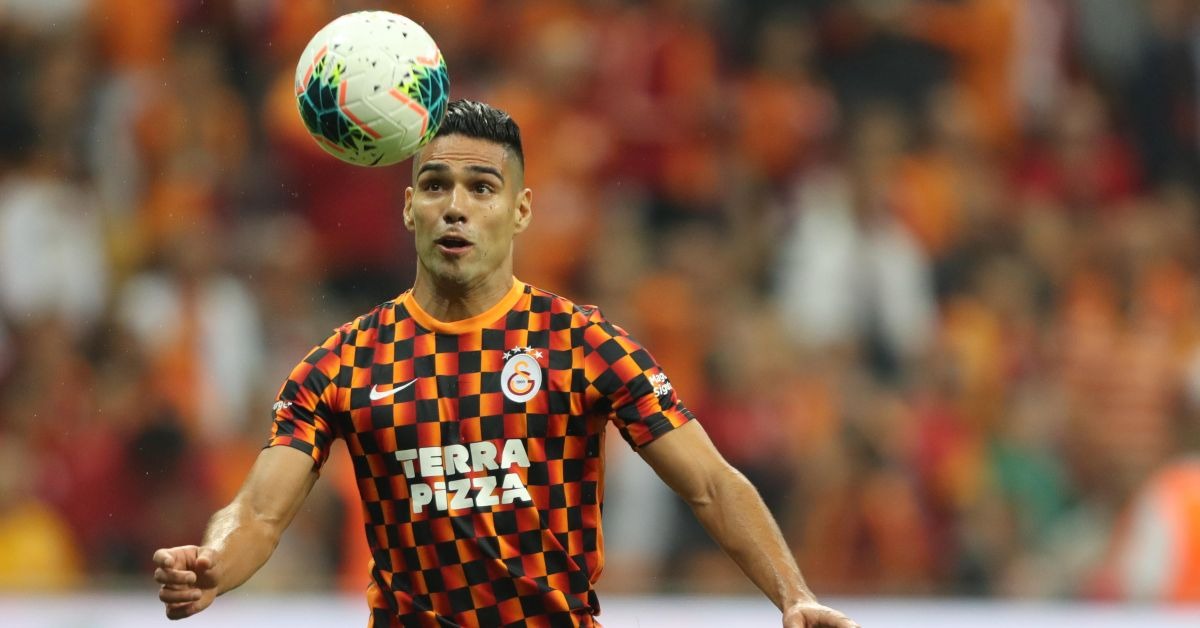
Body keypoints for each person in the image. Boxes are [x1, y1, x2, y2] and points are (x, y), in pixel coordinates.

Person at [152, 99, 859, 628]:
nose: (455, 207)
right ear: (409, 207)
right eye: (436, 186)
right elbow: (258, 513)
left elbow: (710, 483)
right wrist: (214, 563)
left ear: (520, 211)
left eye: (481, 188)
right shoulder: (342, 364)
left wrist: (793, 595)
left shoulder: (581, 344)